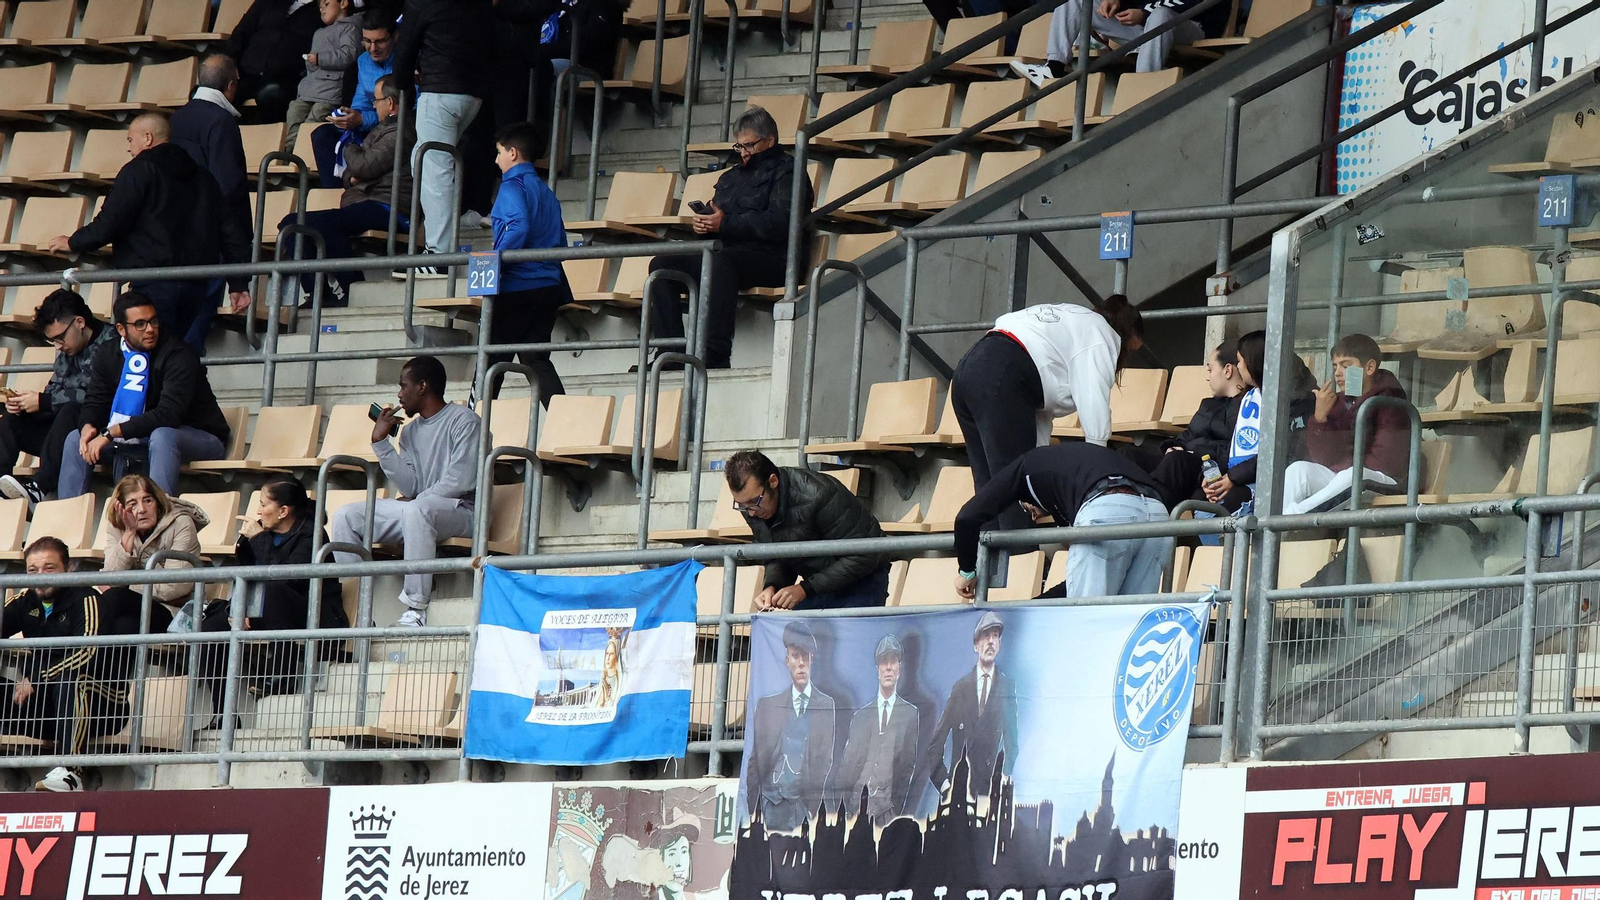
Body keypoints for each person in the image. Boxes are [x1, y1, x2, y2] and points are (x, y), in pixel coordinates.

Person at [47, 114, 251, 354]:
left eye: (130, 139)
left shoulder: (138, 170)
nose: (128, 147)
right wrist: (238, 283)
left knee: (149, 358)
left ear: (147, 138)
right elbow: (229, 230)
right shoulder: (203, 177)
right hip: (197, 284)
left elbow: (111, 221)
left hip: (153, 281)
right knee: (176, 354)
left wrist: (73, 242)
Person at [950, 295, 1145, 532]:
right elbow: (1094, 408)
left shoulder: (1072, 320)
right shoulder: (1102, 335)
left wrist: (1039, 490)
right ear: (1124, 336)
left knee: (989, 490)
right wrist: (1096, 476)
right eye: (1131, 352)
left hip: (969, 369)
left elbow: (1036, 416)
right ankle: (1020, 565)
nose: (1125, 360)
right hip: (1003, 372)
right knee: (1012, 492)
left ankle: (985, 565)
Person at [646, 106, 812, 370]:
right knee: (662, 266)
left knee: (720, 263)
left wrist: (725, 223)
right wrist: (704, 224)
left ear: (770, 140)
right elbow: (719, 216)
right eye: (740, 146)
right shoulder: (730, 176)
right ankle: (671, 351)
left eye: (750, 145)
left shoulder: (789, 172)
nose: (744, 152)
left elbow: (781, 223)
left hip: (775, 257)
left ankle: (714, 355)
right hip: (728, 252)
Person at [331, 356, 479, 627]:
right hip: (420, 511)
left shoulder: (465, 420)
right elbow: (409, 485)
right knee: (347, 516)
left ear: (422, 386)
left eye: (403, 386)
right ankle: (352, 610)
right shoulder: (410, 432)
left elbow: (461, 479)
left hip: (462, 511)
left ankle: (416, 608)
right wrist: (381, 443)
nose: (399, 395)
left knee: (416, 509)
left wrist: (418, 499)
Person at [258, 73, 416, 310]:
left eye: (376, 101)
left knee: (325, 224)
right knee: (291, 225)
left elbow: (363, 165)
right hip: (364, 203)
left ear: (391, 103)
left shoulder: (400, 131)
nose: (374, 105)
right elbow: (350, 174)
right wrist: (355, 169)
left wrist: (350, 143)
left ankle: (353, 287)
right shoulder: (382, 130)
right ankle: (318, 292)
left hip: (387, 207)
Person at [60, 291, 232, 500]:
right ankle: (68, 513)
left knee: (163, 435)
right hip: (135, 436)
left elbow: (169, 414)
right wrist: (87, 425)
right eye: (140, 324)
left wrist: (111, 433)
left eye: (153, 321)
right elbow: (96, 400)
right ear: (121, 329)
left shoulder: (178, 354)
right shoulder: (108, 352)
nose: (150, 329)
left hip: (199, 436)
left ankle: (160, 515)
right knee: (75, 438)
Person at [953, 443, 1171, 599]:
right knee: (1131, 624)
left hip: (1106, 505)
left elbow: (967, 517)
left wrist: (967, 571)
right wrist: (1034, 606)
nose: (1033, 515)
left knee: (1085, 621)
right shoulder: (1068, 473)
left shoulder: (1024, 468)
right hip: (1157, 512)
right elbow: (1078, 583)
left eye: (1024, 506)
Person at [201, 482, 347, 711]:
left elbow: (287, 579)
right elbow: (244, 577)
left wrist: (259, 539)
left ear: (283, 511)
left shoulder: (311, 535)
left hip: (311, 615)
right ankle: (221, 711)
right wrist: (241, 609)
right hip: (263, 609)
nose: (258, 512)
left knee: (273, 592)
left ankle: (283, 676)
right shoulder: (259, 535)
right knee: (212, 625)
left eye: (263, 504)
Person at [0, 537, 127, 793]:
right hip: (47, 707)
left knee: (72, 681)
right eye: (33, 571)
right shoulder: (25, 600)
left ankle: (71, 773)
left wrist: (37, 678)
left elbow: (88, 653)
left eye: (50, 568)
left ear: (69, 569)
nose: (41, 577)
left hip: (103, 704)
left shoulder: (87, 599)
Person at [391, 0, 495, 274]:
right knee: (422, 161)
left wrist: (403, 85)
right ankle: (442, 238)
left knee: (434, 168)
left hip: (440, 93)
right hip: (474, 96)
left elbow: (404, 51)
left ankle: (439, 257)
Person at [724, 450, 888, 610]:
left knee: (848, 635)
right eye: (742, 505)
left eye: (754, 501)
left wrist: (805, 589)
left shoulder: (820, 494)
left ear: (773, 481)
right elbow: (776, 555)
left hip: (863, 580)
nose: (751, 512)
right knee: (791, 635)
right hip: (816, 585)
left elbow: (865, 554)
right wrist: (772, 586)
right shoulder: (753, 508)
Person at [0, 290, 118, 507]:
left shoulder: (113, 345)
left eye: (60, 338)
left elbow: (99, 397)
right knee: (10, 419)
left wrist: (44, 401)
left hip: (97, 434)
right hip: (59, 435)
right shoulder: (68, 349)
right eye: (51, 340)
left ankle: (39, 488)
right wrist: (25, 404)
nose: (58, 346)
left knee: (71, 409)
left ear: (80, 322)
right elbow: (54, 389)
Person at [482, 120, 570, 404]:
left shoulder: (512, 186)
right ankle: (563, 426)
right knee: (536, 360)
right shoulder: (547, 193)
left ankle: (470, 430)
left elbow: (517, 225)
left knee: (490, 364)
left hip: (517, 287)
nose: (496, 160)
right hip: (548, 286)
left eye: (498, 153)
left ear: (512, 153)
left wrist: (497, 264)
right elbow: (560, 241)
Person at [170, 53, 251, 352]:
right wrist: (238, 274)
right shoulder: (222, 121)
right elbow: (229, 189)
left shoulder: (175, 118)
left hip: (177, 233)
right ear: (231, 86)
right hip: (212, 239)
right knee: (195, 325)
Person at [1282, 333, 1411, 515]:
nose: (1338, 373)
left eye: (1346, 365)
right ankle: (1279, 522)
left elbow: (1386, 462)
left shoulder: (1390, 400)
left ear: (1370, 368)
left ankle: (1291, 519)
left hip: (1386, 479)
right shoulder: (1341, 400)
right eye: (1335, 366)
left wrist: (1342, 467)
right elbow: (1324, 459)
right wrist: (1320, 419)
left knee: (1351, 475)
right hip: (1345, 475)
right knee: (1298, 470)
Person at [1203, 330, 1316, 514]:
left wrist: (1232, 477)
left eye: (1240, 361)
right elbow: (1237, 446)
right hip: (1243, 476)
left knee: (1215, 510)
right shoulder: (1251, 395)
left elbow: (1283, 454)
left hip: (1269, 484)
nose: (1237, 366)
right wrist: (1215, 475)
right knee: (1199, 501)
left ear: (1253, 362)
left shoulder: (1297, 400)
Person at [747, 621, 835, 832]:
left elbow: (825, 761)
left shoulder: (826, 705)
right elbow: (755, 760)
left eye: (805, 656)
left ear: (812, 659)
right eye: (796, 656)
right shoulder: (768, 705)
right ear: (787, 661)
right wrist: (753, 806)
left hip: (803, 809)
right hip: (767, 807)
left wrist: (811, 807)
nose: (801, 663)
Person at [98, 474, 208, 637]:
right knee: (125, 627)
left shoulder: (181, 523)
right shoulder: (117, 527)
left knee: (114, 597)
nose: (142, 509)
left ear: (157, 502)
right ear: (121, 509)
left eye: (147, 500)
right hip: (133, 612)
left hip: (173, 613)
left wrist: (128, 587)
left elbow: (175, 586)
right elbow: (111, 579)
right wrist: (128, 537)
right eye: (132, 504)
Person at [1144, 340, 1246, 511]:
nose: (1207, 377)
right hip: (1183, 458)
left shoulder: (1249, 407)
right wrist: (1172, 446)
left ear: (1227, 370)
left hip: (1208, 466)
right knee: (1128, 454)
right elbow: (1186, 436)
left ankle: (1150, 514)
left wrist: (1194, 451)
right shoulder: (1208, 405)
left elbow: (1236, 449)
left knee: (1177, 460)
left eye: (1210, 369)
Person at [924, 611, 1016, 796]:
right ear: (976, 645)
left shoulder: (1007, 687)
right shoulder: (960, 688)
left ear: (999, 644)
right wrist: (945, 786)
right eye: (985, 636)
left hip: (988, 794)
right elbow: (935, 745)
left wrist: (1004, 776)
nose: (991, 641)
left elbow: (1012, 742)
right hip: (958, 792)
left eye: (995, 636)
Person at [834, 633, 919, 825]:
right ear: (877, 669)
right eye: (883, 662)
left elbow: (907, 766)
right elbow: (847, 764)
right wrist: (846, 805)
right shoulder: (861, 716)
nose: (888, 667)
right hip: (854, 811)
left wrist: (894, 808)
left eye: (893, 661)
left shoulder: (909, 714)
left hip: (887, 812)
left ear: (899, 669)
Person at [309, 11, 397, 188]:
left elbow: (406, 111)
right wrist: (350, 116)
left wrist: (363, 119)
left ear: (395, 37)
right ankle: (335, 192)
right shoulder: (363, 60)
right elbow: (361, 101)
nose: (373, 48)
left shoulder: (406, 61)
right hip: (369, 127)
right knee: (322, 135)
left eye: (379, 41)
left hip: (393, 129)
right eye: (367, 41)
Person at [1045, 0, 1230, 76]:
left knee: (1160, 14)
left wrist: (1144, 13)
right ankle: (1054, 66)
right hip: (1146, 26)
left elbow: (1195, 3)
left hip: (1193, 26)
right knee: (1078, 2)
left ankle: (1143, 81)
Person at [284, 0, 363, 155]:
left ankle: (302, 160)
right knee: (294, 112)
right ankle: (287, 157)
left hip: (331, 91)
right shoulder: (318, 33)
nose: (322, 9)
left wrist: (320, 59)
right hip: (310, 88)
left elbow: (349, 55)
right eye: (320, 7)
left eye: (326, 4)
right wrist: (311, 62)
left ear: (343, 3)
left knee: (313, 120)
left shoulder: (351, 27)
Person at [225, 0, 324, 123]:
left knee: (270, 95)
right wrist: (228, 65)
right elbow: (240, 34)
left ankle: (268, 140)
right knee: (208, 94)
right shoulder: (267, 2)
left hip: (287, 79)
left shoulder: (324, 7)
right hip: (246, 73)